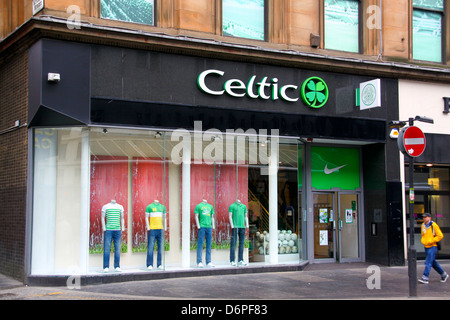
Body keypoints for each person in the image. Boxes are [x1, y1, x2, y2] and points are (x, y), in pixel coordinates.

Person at [418, 213, 448, 284]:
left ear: (429, 218)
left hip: (433, 246)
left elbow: (440, 235)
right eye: (423, 217)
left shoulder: (433, 225)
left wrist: (431, 241)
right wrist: (423, 241)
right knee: (432, 262)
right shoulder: (423, 225)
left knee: (428, 262)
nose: (424, 218)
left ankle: (425, 277)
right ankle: (444, 274)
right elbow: (423, 235)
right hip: (426, 246)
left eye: (425, 217)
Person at [101, 200, 125, 272]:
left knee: (117, 248)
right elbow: (102, 217)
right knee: (107, 248)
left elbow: (122, 218)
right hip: (108, 230)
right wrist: (104, 228)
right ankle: (106, 266)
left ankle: (117, 266)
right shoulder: (105, 207)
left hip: (117, 230)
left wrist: (122, 227)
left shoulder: (120, 207)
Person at [145, 200, 166, 270]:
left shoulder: (162, 207)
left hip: (160, 229)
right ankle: (149, 264)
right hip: (152, 229)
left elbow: (164, 218)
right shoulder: (149, 207)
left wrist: (165, 227)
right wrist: (148, 227)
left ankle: (159, 264)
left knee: (160, 248)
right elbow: (146, 217)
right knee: (151, 247)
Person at [195, 199, 215, 268]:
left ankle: (208, 261)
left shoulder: (210, 206)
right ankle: (199, 261)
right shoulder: (198, 206)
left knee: (209, 244)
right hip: (202, 227)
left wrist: (213, 225)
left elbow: (212, 217)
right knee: (200, 244)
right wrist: (198, 226)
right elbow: (196, 216)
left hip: (209, 227)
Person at [229, 199, 249, 266]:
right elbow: (230, 216)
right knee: (233, 244)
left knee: (242, 244)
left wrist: (247, 224)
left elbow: (246, 216)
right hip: (235, 226)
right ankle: (232, 260)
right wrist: (232, 225)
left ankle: (241, 259)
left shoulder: (244, 206)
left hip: (242, 227)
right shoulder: (232, 206)